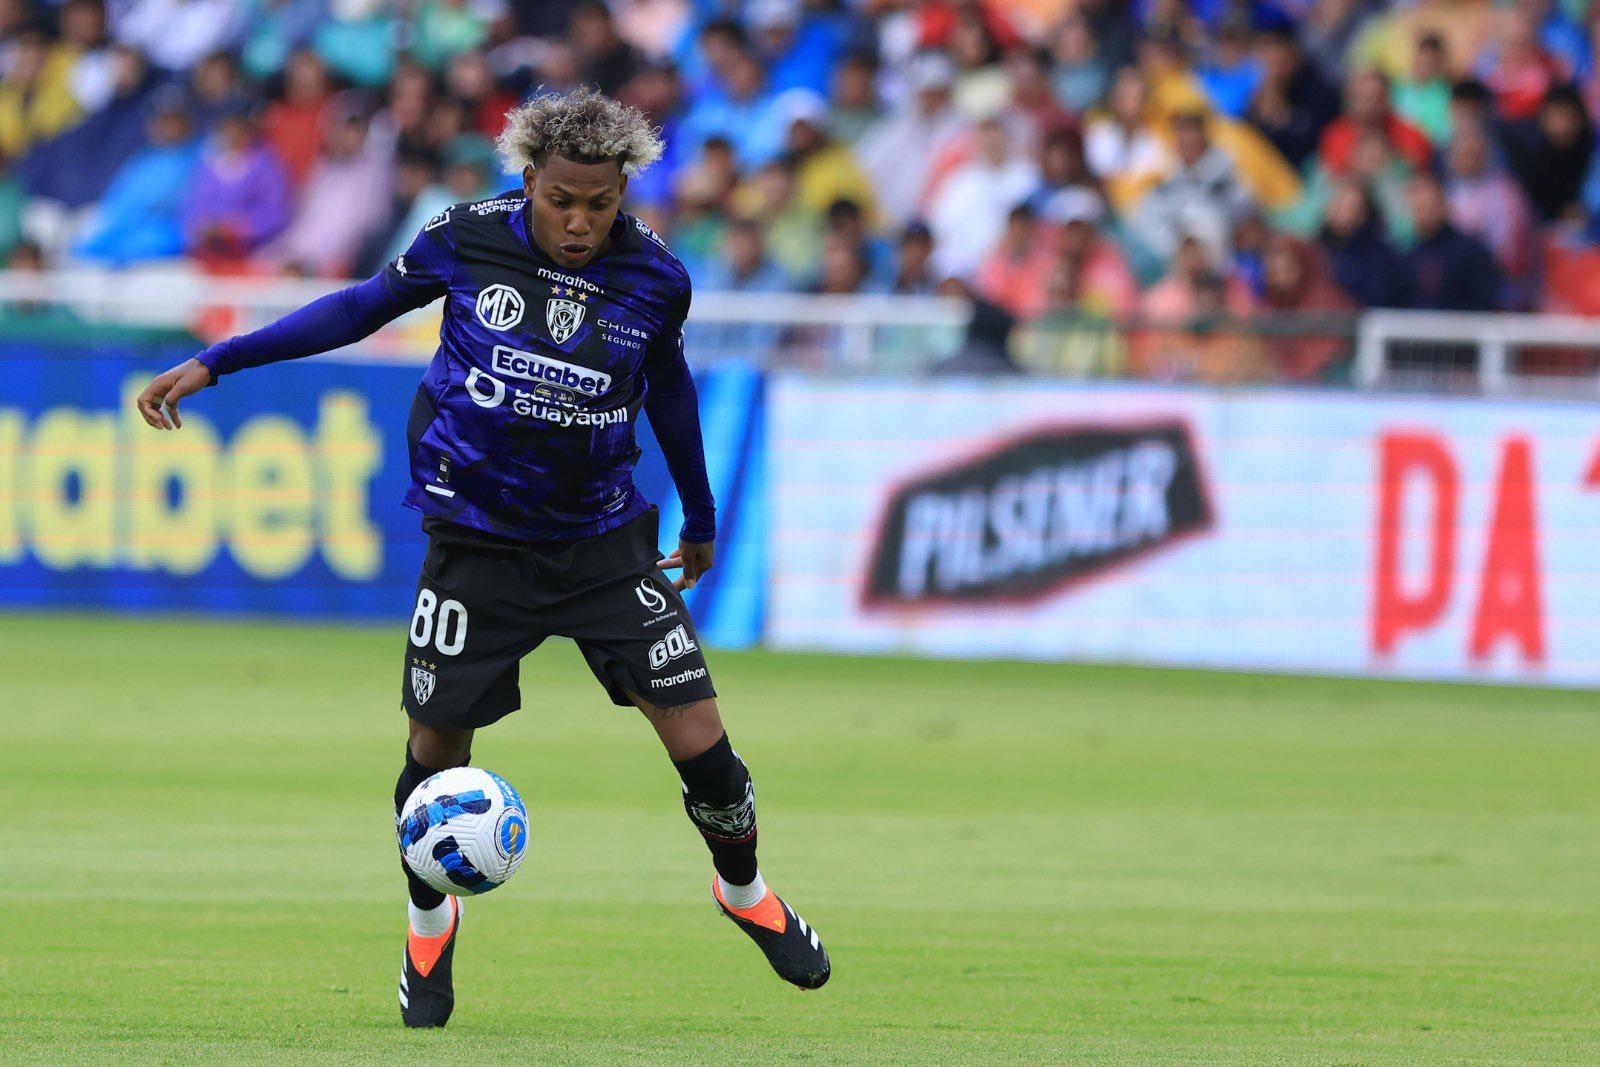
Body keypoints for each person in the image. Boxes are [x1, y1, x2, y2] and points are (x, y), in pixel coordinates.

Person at [132, 88, 831, 1029]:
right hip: (476, 542)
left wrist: (699, 516)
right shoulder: (467, 236)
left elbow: (668, 387)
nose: (580, 222)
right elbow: (358, 309)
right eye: (562, 199)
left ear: (624, 192)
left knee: (701, 736)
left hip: (601, 541)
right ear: (530, 179)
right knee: (433, 752)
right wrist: (221, 359)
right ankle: (430, 912)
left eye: (600, 204)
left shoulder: (659, 279)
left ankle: (742, 888)